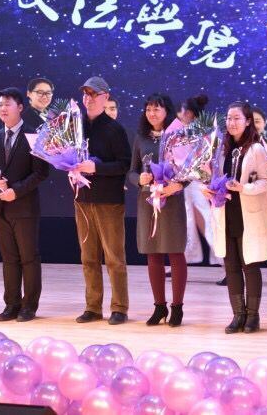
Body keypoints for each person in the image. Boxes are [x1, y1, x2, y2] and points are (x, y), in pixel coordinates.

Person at [203, 101, 267, 334]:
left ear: (247, 121)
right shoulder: (221, 149)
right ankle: (238, 314)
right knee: (231, 266)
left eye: (237, 118)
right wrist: (209, 187)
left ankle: (253, 316)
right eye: (229, 118)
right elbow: (215, 179)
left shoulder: (256, 149)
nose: (231, 122)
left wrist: (243, 188)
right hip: (225, 213)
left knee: (250, 265)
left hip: (248, 215)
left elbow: (266, 181)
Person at [0, 87, 50, 322]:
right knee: (9, 258)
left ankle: (29, 306)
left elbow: (41, 173)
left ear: (20, 107)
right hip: (0, 208)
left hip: (24, 207)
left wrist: (16, 191)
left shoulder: (34, 136)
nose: (2, 108)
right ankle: (11, 304)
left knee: (28, 257)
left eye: (7, 104)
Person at [72, 77, 132, 325]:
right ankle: (93, 306)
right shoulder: (76, 127)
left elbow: (124, 164)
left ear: (105, 97)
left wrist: (96, 168)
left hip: (108, 201)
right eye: (85, 94)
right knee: (88, 257)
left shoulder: (114, 129)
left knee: (114, 257)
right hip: (82, 199)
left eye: (93, 94)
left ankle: (119, 307)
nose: (88, 98)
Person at [128, 94, 188, 326]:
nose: (152, 113)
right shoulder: (140, 138)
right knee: (152, 253)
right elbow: (131, 172)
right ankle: (159, 307)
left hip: (171, 201)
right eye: (148, 109)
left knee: (175, 252)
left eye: (157, 109)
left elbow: (191, 170)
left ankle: (177, 308)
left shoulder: (178, 136)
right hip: (148, 202)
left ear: (167, 112)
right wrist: (139, 179)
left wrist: (179, 185)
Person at [177, 94, 223, 271]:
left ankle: (225, 263)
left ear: (188, 113)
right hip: (189, 182)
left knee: (206, 221)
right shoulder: (198, 131)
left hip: (197, 182)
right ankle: (180, 263)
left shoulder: (199, 132)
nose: (178, 115)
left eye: (180, 111)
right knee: (189, 222)